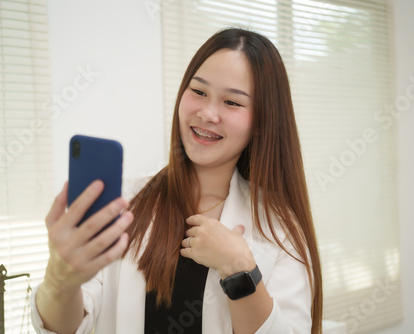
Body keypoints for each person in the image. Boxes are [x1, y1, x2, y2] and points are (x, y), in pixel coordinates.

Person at [31, 27, 323, 334]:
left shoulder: (280, 229)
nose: (208, 113)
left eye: (232, 102)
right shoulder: (124, 203)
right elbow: (63, 328)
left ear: (262, 121)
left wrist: (238, 268)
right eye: (198, 92)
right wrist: (59, 280)